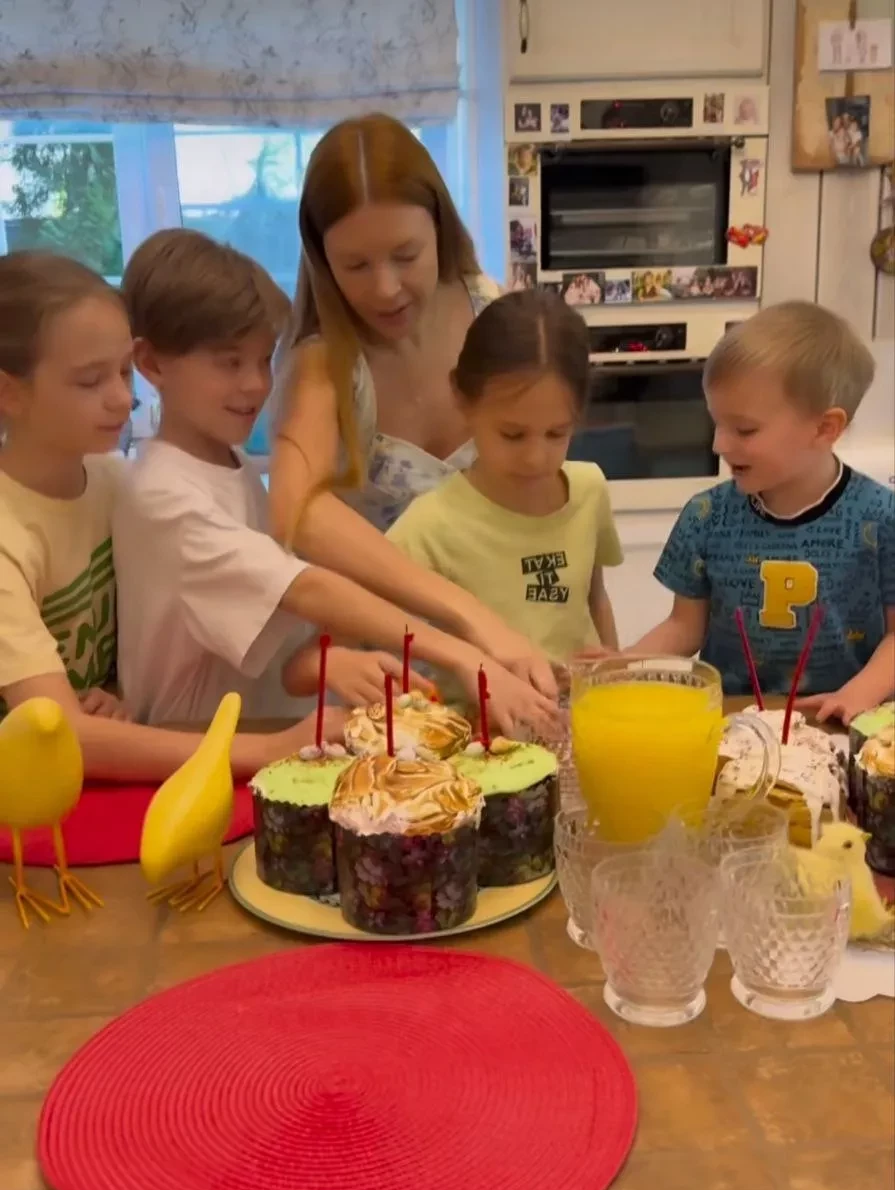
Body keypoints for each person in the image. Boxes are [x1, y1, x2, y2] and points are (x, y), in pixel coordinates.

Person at [115, 230, 557, 741]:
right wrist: (466, 650)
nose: (256, 384)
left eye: (263, 360)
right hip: (195, 749)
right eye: (229, 363)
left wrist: (333, 660)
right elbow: (305, 588)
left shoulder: (230, 464)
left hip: (260, 735)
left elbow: (267, 629)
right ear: (151, 364)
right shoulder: (162, 496)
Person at [0, 250, 336, 781]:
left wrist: (112, 696)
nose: (121, 399)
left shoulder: (111, 479)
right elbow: (61, 732)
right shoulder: (10, 533)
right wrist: (272, 749)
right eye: (90, 381)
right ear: (8, 392)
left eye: (122, 373)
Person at [266, 113, 556, 698]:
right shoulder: (323, 361)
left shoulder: (496, 317)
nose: (385, 288)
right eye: (355, 266)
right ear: (321, 260)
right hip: (396, 677)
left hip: (517, 655)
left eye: (405, 255)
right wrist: (470, 619)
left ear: (440, 230)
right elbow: (296, 512)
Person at [629, 301, 894, 723]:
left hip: (842, 723)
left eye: (744, 429)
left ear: (824, 428)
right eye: (716, 423)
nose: (719, 444)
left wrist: (855, 696)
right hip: (734, 723)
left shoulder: (882, 518)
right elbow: (683, 627)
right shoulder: (705, 515)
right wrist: (621, 667)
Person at [379, 291, 622, 693]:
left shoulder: (588, 488)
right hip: (482, 723)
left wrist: (613, 668)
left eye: (556, 434)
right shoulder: (430, 524)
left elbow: (595, 597)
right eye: (512, 434)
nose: (535, 458)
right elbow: (361, 621)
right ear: (462, 399)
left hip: (581, 711)